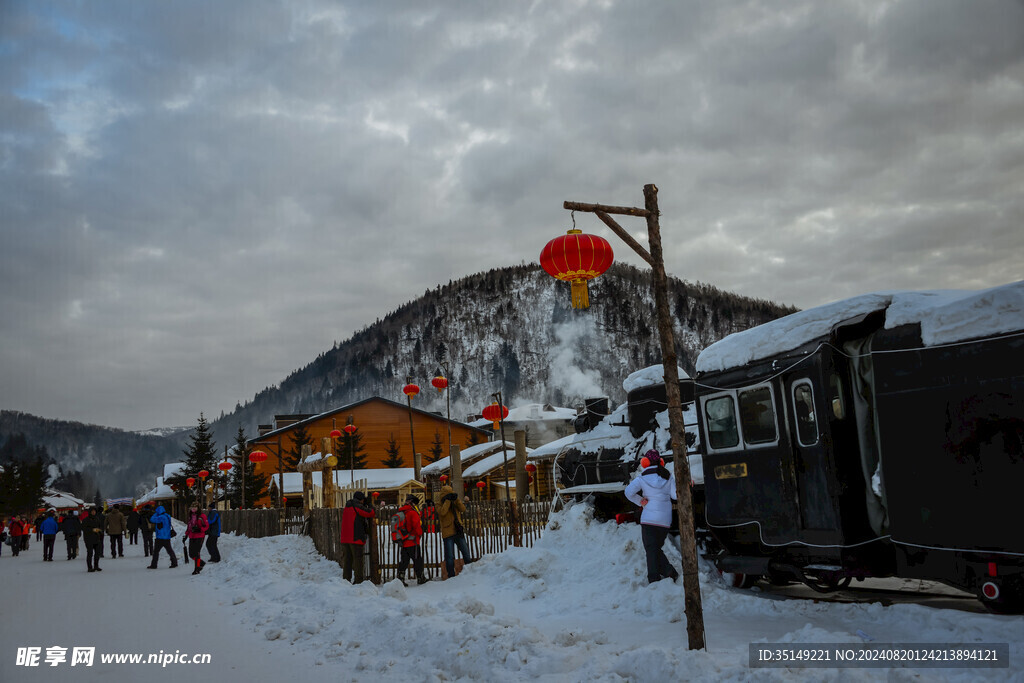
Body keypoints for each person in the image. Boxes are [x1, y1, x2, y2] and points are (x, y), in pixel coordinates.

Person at [624, 449, 679, 584]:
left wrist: (640, 501)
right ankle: (669, 572)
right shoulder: (668, 476)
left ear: (645, 462)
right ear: (661, 462)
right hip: (665, 520)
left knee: (651, 548)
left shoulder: (642, 478)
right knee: (654, 548)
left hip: (649, 519)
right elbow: (676, 496)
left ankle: (654, 578)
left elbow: (628, 492)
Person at [437, 485, 475, 579]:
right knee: (449, 557)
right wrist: (447, 501)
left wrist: (457, 499)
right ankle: (451, 576)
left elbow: (463, 509)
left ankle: (470, 572)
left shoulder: (454, 502)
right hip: (447, 532)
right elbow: (443, 512)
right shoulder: (439, 504)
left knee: (466, 553)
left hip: (458, 531)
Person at [339, 491, 375, 584]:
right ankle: (358, 581)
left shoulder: (348, 506)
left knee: (348, 560)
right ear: (361, 499)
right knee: (358, 560)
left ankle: (346, 580)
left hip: (345, 538)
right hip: (355, 538)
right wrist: (370, 505)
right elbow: (370, 513)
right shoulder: (357, 506)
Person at [394, 494, 427, 586]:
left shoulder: (400, 512)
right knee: (418, 560)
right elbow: (416, 526)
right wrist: (420, 533)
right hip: (413, 541)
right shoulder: (412, 512)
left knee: (404, 561)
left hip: (403, 542)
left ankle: (400, 579)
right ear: (413, 503)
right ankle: (421, 578)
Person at [185, 503, 209, 575]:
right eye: (192, 507)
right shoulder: (191, 516)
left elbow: (207, 526)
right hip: (192, 536)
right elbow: (189, 527)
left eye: (195, 507)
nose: (193, 509)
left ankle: (197, 568)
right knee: (191, 554)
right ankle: (201, 563)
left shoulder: (202, 516)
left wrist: (200, 529)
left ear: (198, 508)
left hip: (199, 536)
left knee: (196, 552)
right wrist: (186, 535)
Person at [80, 508, 104, 573]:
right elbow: (84, 528)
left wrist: (100, 531)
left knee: (97, 553)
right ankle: (90, 567)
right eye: (92, 511)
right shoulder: (86, 520)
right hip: (89, 539)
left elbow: (100, 527)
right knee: (90, 553)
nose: (93, 513)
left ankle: (96, 566)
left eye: (94, 511)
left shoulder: (97, 519)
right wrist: (92, 530)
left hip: (97, 538)